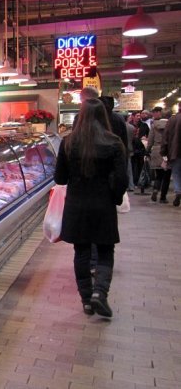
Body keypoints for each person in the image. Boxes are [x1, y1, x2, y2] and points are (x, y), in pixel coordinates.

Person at [54, 98, 128, 317]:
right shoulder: (114, 143)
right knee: (105, 251)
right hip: (103, 204)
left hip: (77, 205)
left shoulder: (68, 142)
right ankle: (100, 293)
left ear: (81, 116)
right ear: (104, 116)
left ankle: (86, 300)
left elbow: (60, 178)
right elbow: (122, 179)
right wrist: (114, 199)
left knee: (81, 252)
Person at [147, 112, 171, 203]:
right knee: (167, 176)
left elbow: (150, 140)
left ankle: (155, 190)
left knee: (159, 175)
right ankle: (163, 197)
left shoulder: (154, 126)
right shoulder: (170, 126)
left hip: (156, 151)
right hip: (167, 151)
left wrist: (148, 150)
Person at [161, 112, 181, 206]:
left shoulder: (172, 120)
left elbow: (165, 137)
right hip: (176, 151)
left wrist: (164, 152)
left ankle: (178, 192)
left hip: (175, 152)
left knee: (176, 174)